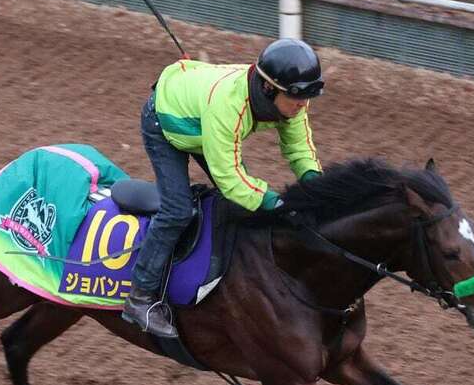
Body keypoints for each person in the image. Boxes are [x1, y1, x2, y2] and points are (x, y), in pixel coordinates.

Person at [122, 38, 325, 338]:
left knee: (242, 200)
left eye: (308, 97)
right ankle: (140, 299)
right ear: (268, 89)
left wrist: (315, 186)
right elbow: (230, 179)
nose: (303, 104)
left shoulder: (291, 101)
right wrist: (277, 203)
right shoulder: (228, 105)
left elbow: (299, 150)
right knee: (178, 210)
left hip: (204, 123)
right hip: (166, 124)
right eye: (297, 97)